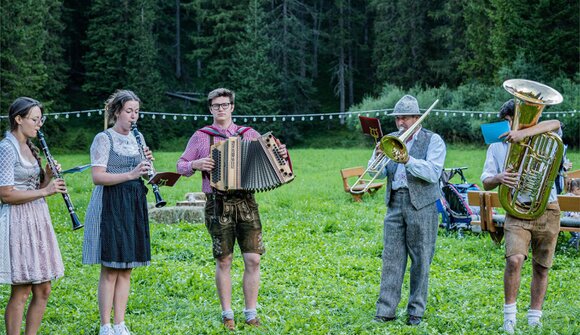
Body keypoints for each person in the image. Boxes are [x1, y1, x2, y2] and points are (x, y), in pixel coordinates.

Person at [176, 88, 288, 331]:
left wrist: (281, 154)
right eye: (216, 105)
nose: (221, 109)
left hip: (246, 201)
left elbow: (274, 157)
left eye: (225, 105)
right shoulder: (201, 136)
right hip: (217, 202)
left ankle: (250, 312)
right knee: (224, 260)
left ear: (232, 107)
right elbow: (181, 164)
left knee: (253, 259)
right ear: (210, 108)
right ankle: (227, 313)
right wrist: (195, 164)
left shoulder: (248, 134)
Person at [480, 99, 562, 334]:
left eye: (515, 121)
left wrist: (523, 133)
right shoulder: (496, 146)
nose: (511, 127)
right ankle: (510, 317)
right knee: (514, 260)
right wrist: (500, 178)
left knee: (542, 266)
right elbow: (486, 180)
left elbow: (555, 122)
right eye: (508, 122)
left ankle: (535, 317)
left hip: (548, 207)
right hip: (517, 208)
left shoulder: (544, 136)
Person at [82, 90, 155, 335]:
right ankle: (105, 325)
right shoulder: (104, 139)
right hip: (110, 203)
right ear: (116, 112)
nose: (133, 116)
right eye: (129, 111)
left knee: (127, 267)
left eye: (136, 111)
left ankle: (120, 323)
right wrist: (131, 174)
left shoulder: (138, 137)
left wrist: (148, 170)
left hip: (133, 202)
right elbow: (97, 177)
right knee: (111, 267)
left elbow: (144, 173)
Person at [371, 95, 446, 326]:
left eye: (405, 117)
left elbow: (433, 173)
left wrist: (407, 159)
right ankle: (385, 311)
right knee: (391, 258)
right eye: (397, 118)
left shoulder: (433, 140)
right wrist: (376, 157)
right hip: (395, 203)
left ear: (417, 117)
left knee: (421, 259)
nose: (400, 122)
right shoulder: (389, 138)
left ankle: (415, 312)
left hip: (422, 205)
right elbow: (377, 172)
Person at [0, 97, 66, 335]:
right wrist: (45, 190)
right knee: (22, 289)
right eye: (35, 119)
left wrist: (47, 177)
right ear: (18, 119)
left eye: (41, 119)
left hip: (37, 219)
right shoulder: (7, 148)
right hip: (17, 221)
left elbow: (33, 185)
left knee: (44, 289)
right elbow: (6, 195)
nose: (39, 125)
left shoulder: (29, 146)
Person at [564, 179, 580, 248]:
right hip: (571, 220)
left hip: (572, 220)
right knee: (577, 235)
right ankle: (569, 247)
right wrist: (574, 215)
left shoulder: (567, 195)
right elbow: (569, 213)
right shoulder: (569, 196)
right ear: (576, 189)